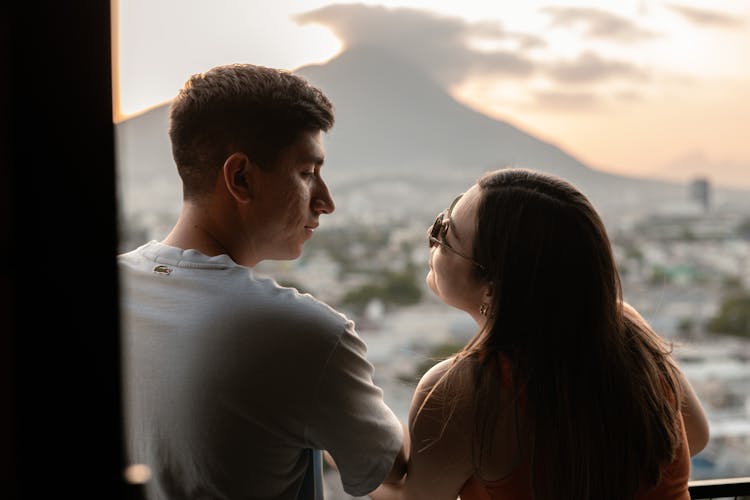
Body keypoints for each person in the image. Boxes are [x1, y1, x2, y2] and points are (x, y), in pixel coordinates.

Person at [118, 63, 407, 499]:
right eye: (308, 172)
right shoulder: (305, 335)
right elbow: (395, 469)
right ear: (241, 178)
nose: (326, 202)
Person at [370, 167, 709, 500]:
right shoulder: (625, 329)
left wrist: (347, 447)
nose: (432, 237)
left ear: (492, 286)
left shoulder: (463, 389)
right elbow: (695, 436)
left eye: (445, 233)